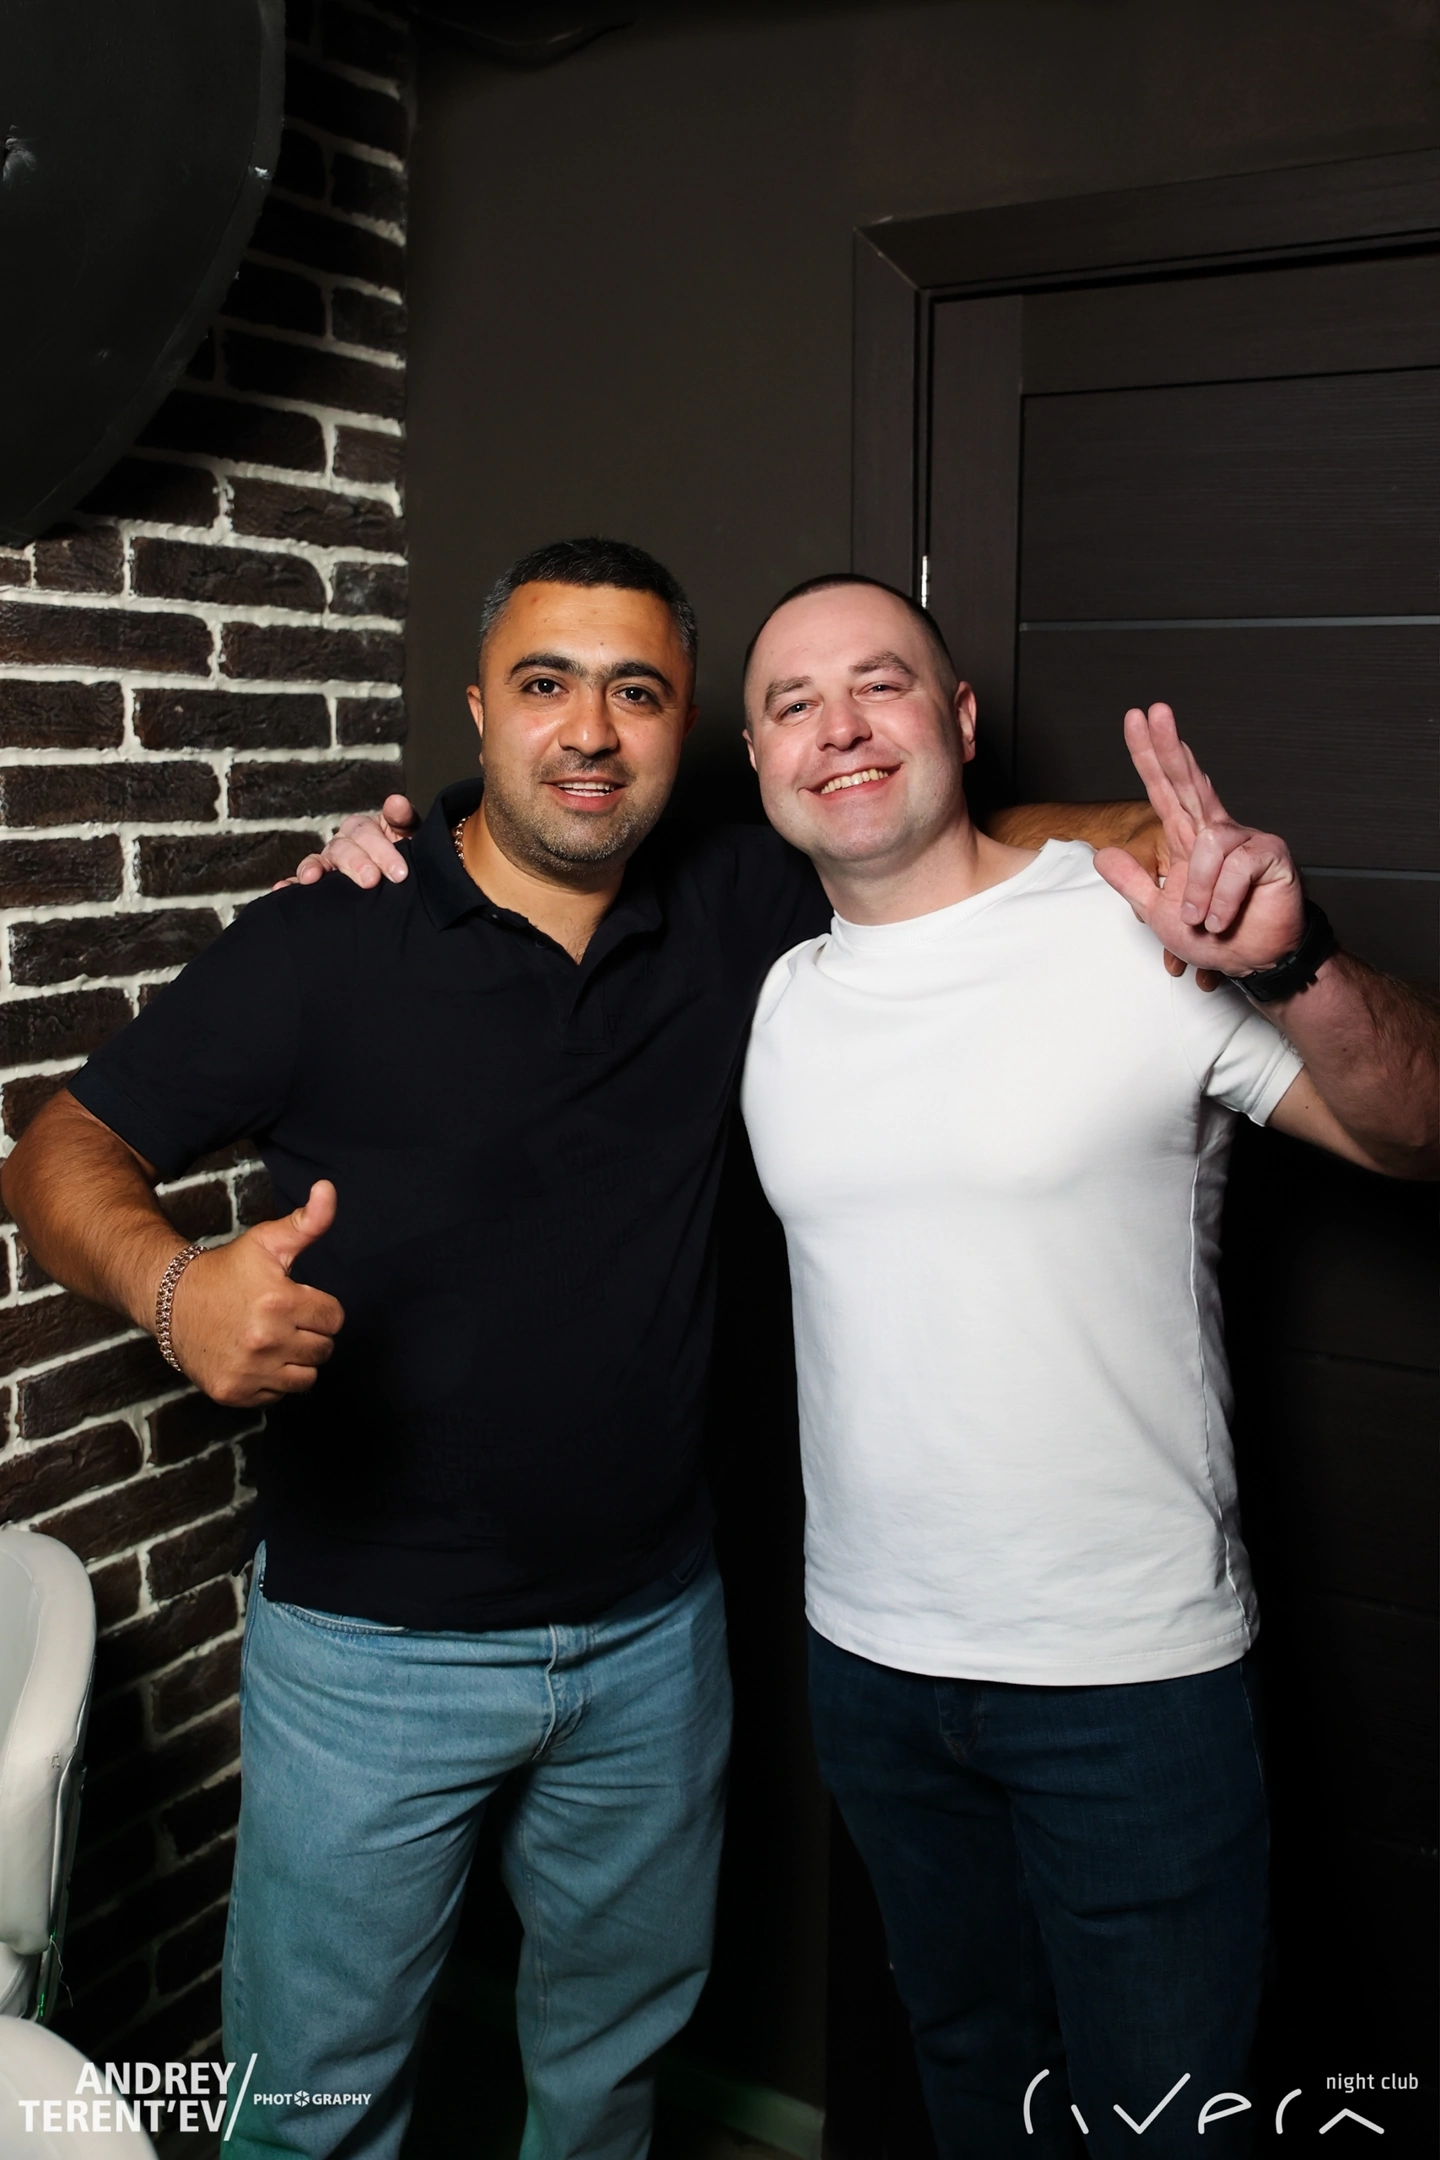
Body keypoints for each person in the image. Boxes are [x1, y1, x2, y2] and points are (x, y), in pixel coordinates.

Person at [3, 538, 1143, 2160]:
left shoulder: (748, 899)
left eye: (637, 691)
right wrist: (176, 1289)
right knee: (310, 2107)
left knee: (610, 2081)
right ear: (481, 711)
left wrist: (1175, 850)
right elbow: (57, 1153)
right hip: (370, 1657)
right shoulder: (332, 938)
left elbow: (970, 844)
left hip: (654, 1643)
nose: (590, 730)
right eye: (546, 685)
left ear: (690, 730)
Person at [733, 576, 1437, 2158]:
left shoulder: (1137, 927)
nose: (838, 728)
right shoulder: (777, 995)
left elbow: (1417, 1133)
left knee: (1166, 2122)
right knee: (969, 2072)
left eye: (879, 684)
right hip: (872, 1669)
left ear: (961, 719)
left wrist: (1297, 964)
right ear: (761, 761)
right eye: (793, 703)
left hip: (1129, 1681)